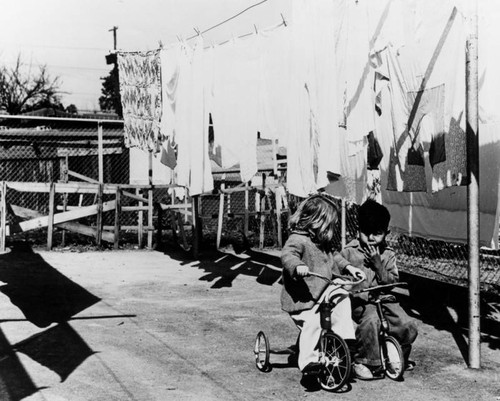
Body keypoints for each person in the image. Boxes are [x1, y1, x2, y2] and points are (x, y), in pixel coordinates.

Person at [280, 193, 366, 383]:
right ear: (315, 221)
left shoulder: (322, 242)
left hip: (322, 292)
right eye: (330, 225)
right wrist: (297, 266)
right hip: (302, 300)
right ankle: (309, 364)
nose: (333, 229)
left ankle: (346, 338)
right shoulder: (298, 239)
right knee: (314, 323)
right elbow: (288, 255)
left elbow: (334, 256)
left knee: (342, 293)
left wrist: (349, 267)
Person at [341, 199, 418, 380]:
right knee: (372, 320)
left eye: (377, 233)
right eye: (365, 232)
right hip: (361, 302)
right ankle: (365, 361)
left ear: (386, 233)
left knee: (407, 325)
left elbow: (392, 282)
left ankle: (397, 355)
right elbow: (340, 275)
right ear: (358, 229)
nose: (370, 238)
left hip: (384, 299)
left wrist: (379, 266)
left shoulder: (388, 254)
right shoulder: (349, 252)